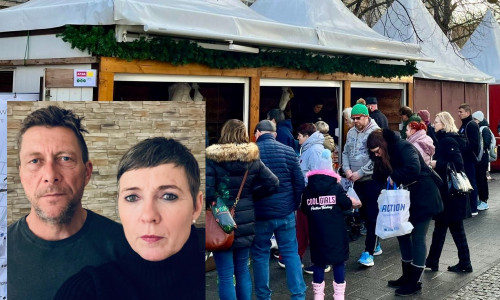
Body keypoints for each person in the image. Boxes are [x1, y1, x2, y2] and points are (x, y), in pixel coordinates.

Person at [55, 137, 205, 299]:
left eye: (168, 196)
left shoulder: (221, 273)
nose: (148, 216)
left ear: (196, 207)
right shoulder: (86, 291)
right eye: (132, 197)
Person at [7, 106, 129, 300]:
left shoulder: (127, 247)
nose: (50, 176)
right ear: (21, 174)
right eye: (35, 161)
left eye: (65, 158)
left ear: (87, 172)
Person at [206, 119, 279, 300]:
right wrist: (252, 196)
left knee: (225, 275)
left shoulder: (213, 159)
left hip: (221, 222)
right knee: (243, 270)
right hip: (245, 221)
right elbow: (273, 183)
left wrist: (218, 203)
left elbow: (207, 193)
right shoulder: (252, 159)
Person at [367, 129, 443, 296]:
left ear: (383, 145)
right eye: (373, 153)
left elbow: (413, 167)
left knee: (417, 236)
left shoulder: (403, 146)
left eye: (378, 151)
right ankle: (407, 275)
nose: (377, 155)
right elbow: (378, 177)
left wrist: (394, 176)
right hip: (406, 199)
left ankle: (415, 281)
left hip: (424, 196)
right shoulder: (385, 153)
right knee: (402, 235)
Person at [251, 120, 306, 300]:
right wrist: (293, 205)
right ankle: (298, 295)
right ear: (274, 134)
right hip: (285, 212)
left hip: (260, 214)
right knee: (291, 252)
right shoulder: (289, 151)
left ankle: (263, 296)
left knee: (260, 254)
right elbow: (299, 183)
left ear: (257, 133)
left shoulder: (251, 154)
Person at [301, 150, 362, 300]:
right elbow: (347, 204)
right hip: (336, 232)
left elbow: (304, 208)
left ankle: (318, 295)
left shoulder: (308, 190)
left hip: (316, 232)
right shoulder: (336, 188)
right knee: (339, 262)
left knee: (318, 263)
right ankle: (339, 295)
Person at [425, 112, 473, 274]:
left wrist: (437, 163)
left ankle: (437, 262)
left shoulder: (448, 140)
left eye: (437, 122)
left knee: (446, 229)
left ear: (444, 124)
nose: (434, 124)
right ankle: (439, 261)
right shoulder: (448, 138)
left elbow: (458, 164)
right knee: (447, 229)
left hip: (450, 193)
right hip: (451, 195)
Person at [341, 104, 381, 267]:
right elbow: (345, 152)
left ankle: (368, 252)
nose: (355, 121)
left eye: (358, 118)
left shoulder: (376, 132)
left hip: (370, 180)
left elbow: (377, 158)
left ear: (366, 117)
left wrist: (360, 172)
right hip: (354, 181)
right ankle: (375, 242)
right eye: (353, 119)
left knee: (372, 216)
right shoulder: (351, 132)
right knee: (362, 214)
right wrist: (347, 169)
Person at [296, 123, 332, 274]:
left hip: (313, 196)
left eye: (299, 135)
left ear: (306, 136)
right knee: (305, 228)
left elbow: (319, 175)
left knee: (315, 230)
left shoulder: (314, 150)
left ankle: (323, 262)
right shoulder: (308, 149)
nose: (297, 138)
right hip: (308, 194)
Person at [458, 103, 480, 216]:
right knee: (467, 181)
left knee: (471, 181)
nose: (459, 114)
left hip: (469, 158)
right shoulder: (464, 125)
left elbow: (474, 143)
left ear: (467, 113)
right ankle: (468, 206)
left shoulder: (471, 125)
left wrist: (463, 150)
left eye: (461, 112)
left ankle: (473, 207)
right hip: (464, 158)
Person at [472, 111, 491, 211]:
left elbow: (486, 143)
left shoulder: (484, 129)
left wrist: (480, 150)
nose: (474, 121)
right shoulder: (480, 128)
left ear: (479, 119)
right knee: (480, 179)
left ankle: (484, 201)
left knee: (481, 179)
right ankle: (482, 200)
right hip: (480, 157)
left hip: (482, 158)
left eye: (475, 119)